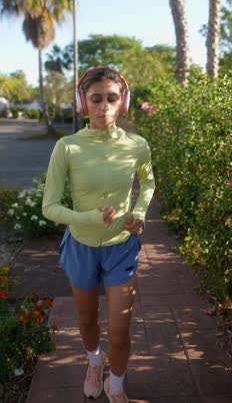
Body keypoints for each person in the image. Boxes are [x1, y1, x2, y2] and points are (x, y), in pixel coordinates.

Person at [42, 66, 155, 402]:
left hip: (122, 248)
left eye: (111, 98)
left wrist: (140, 211)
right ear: (83, 103)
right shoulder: (67, 147)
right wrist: (87, 217)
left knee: (119, 333)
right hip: (81, 246)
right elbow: (49, 207)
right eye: (96, 99)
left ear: (123, 102)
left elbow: (147, 182)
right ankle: (94, 361)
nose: (104, 106)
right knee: (88, 321)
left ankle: (116, 386)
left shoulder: (137, 145)